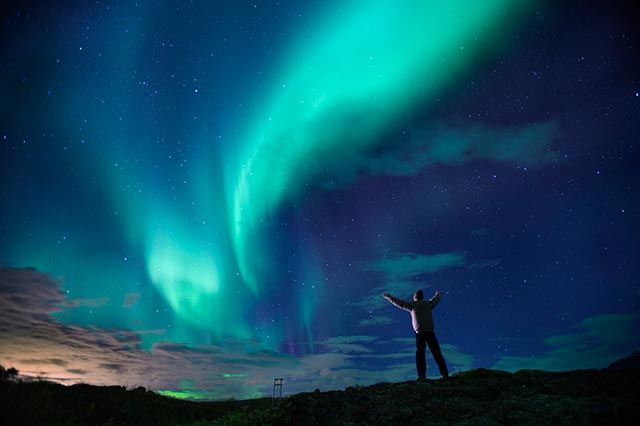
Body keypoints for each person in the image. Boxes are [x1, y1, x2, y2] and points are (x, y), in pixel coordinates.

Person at [383, 289, 449, 381]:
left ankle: (422, 376)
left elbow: (399, 303)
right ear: (422, 297)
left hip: (420, 333)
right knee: (436, 352)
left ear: (415, 298)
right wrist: (438, 294)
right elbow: (435, 300)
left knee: (420, 354)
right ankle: (444, 373)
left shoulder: (412, 305)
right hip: (430, 332)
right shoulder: (428, 304)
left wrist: (388, 297)